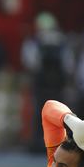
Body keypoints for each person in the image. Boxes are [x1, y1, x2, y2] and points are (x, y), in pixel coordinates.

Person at [20, 11, 70, 153]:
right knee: (59, 113)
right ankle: (59, 144)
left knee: (40, 113)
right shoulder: (62, 42)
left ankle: (39, 143)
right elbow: (68, 65)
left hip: (42, 84)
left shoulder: (34, 42)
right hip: (56, 85)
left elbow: (30, 62)